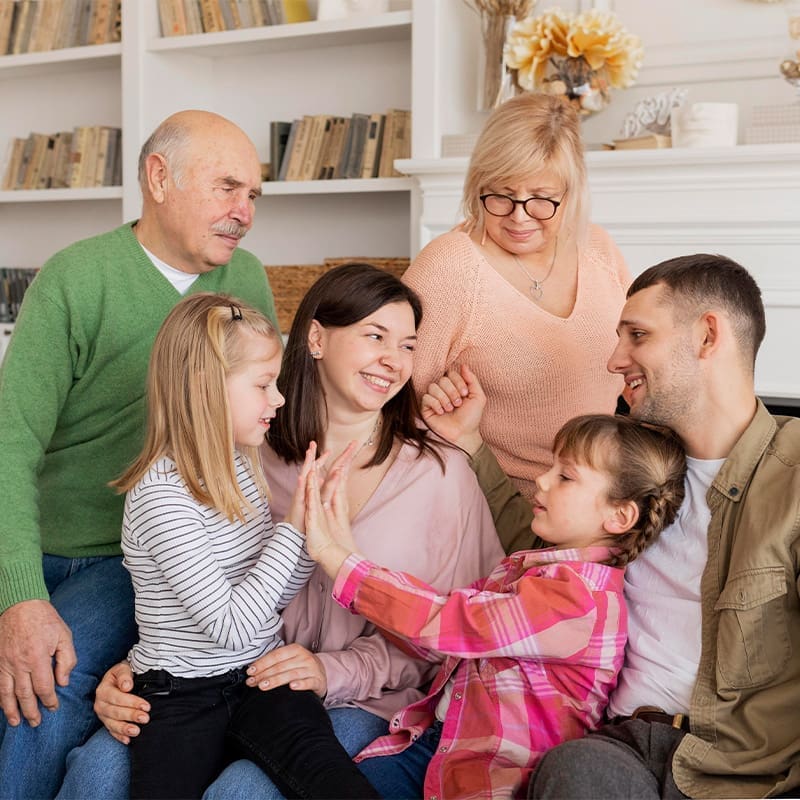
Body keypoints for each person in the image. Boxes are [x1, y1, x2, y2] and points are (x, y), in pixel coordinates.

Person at [56, 263, 505, 799]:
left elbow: (457, 633)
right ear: (316, 337)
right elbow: (188, 598)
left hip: (358, 698)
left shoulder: (440, 474)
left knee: (242, 793)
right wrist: (130, 671)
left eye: (408, 345)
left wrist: (329, 670)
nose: (395, 360)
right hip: (226, 681)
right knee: (97, 773)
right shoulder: (244, 454)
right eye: (375, 336)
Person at [429, 254, 800, 799]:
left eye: (638, 336)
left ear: (707, 336)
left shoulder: (793, 479)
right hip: (619, 744)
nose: (613, 360)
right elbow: (548, 553)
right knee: (573, 771)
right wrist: (470, 443)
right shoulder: (636, 465)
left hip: (745, 774)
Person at [0, 109, 277, 800]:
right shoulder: (76, 277)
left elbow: (266, 428)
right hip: (43, 542)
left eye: (254, 197)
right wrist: (23, 595)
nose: (244, 212)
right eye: (227, 188)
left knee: (47, 688)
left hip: (138, 555)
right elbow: (10, 440)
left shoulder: (247, 282)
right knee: (31, 660)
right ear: (160, 177)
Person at [297, 412, 686, 799]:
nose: (542, 479)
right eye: (551, 468)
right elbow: (437, 639)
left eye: (565, 477)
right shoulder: (526, 570)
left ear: (620, 515)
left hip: (492, 780)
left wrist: (341, 562)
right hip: (436, 748)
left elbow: (452, 623)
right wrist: (349, 559)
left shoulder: (580, 600)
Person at [113, 292, 379, 800]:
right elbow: (230, 626)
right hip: (178, 699)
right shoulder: (161, 496)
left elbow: (267, 601)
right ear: (207, 388)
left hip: (260, 675)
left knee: (338, 785)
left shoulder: (241, 466)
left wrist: (314, 529)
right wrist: (294, 527)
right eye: (262, 385)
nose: (277, 399)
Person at [402, 92, 631, 505]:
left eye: (542, 198)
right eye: (501, 195)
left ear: (571, 190)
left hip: (600, 503)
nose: (520, 216)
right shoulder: (450, 267)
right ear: (478, 185)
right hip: (500, 506)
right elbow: (395, 400)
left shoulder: (597, 247)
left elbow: (637, 364)